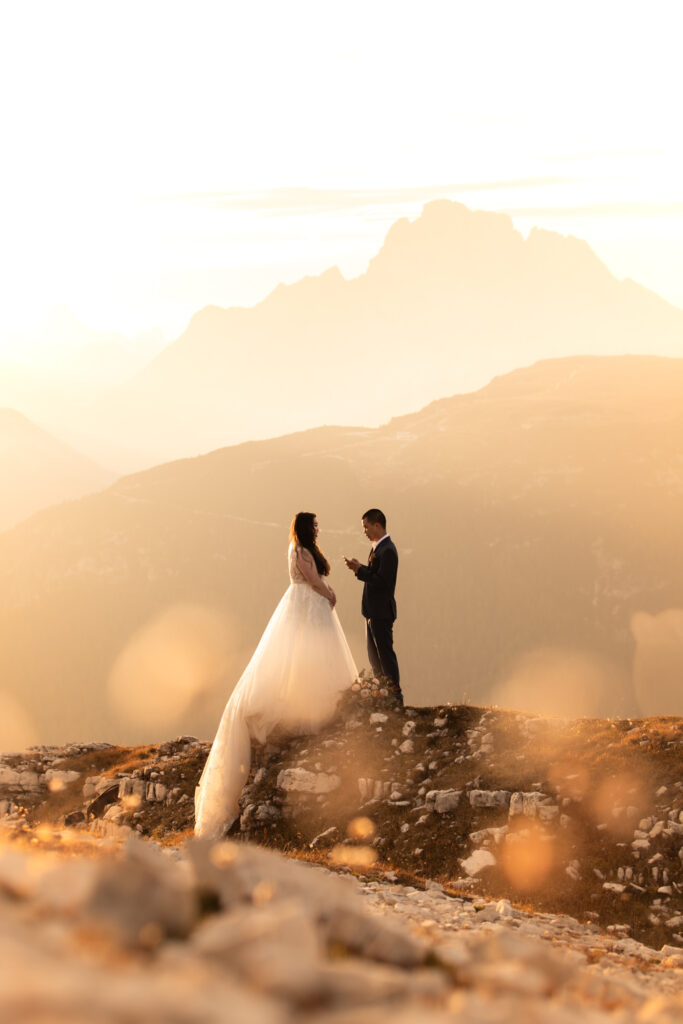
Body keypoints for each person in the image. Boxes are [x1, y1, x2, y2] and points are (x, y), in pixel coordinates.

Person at [194, 512, 357, 839]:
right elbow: (312, 579)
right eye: (314, 524)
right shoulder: (302, 551)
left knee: (302, 653)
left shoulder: (296, 549)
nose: (317, 529)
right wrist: (329, 594)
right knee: (308, 653)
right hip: (308, 602)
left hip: (302, 603)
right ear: (305, 527)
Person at [344, 508, 403, 705]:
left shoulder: (388, 551)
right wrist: (360, 568)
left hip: (381, 611)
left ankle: (395, 695)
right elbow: (374, 573)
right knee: (374, 655)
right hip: (372, 611)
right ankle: (381, 692)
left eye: (366, 527)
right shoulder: (377, 548)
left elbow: (382, 581)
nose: (365, 531)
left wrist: (360, 570)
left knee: (385, 654)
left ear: (377, 525)